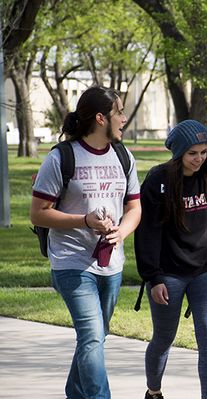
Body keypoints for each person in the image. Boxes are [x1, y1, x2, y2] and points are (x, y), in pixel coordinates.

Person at [30, 86, 142, 398]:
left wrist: (121, 232)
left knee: (95, 336)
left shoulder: (123, 156)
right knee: (92, 336)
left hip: (111, 264)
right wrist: (84, 220)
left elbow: (135, 208)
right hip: (71, 263)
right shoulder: (61, 158)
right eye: (119, 112)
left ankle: (74, 391)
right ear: (100, 118)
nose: (123, 119)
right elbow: (38, 214)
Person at [135, 120, 207, 399]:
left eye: (203, 152)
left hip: (206, 270)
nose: (199, 159)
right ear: (178, 153)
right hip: (169, 273)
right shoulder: (157, 180)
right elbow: (147, 232)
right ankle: (154, 392)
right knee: (164, 338)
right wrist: (153, 277)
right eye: (192, 153)